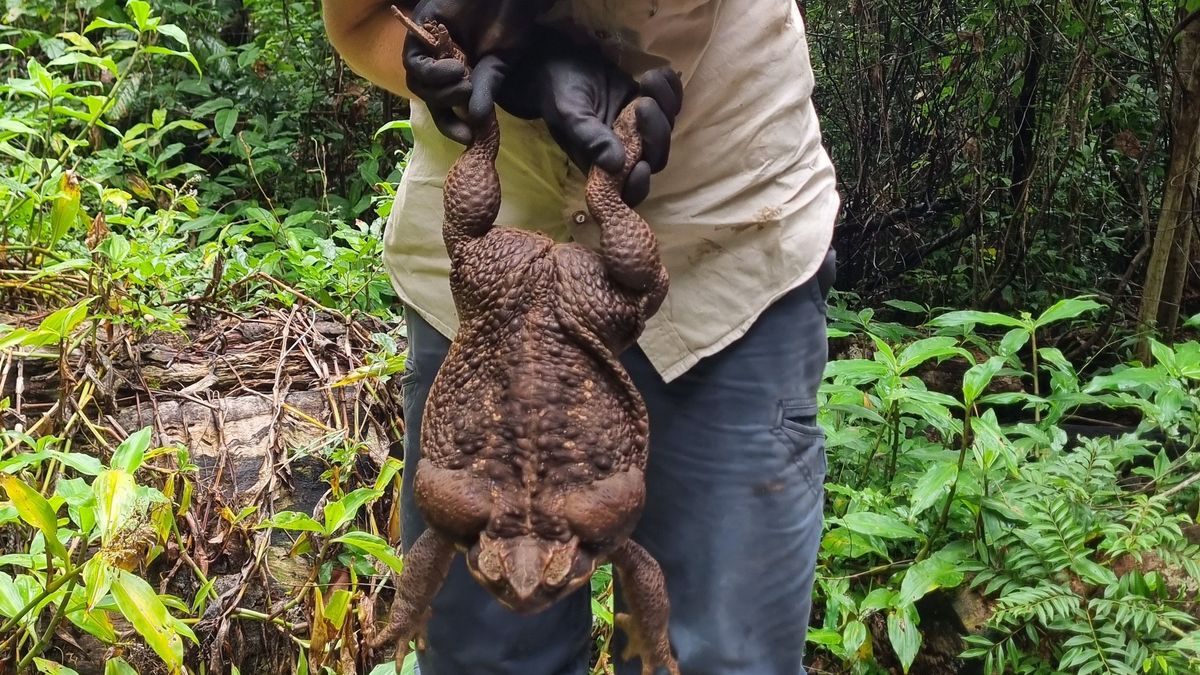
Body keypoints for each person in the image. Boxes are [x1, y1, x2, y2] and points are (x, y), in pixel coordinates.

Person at [322, 2, 839, 674]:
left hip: (721, 242)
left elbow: (633, 557)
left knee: (721, 657)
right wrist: (483, 68)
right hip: (486, 282)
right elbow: (361, 18)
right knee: (483, 661)